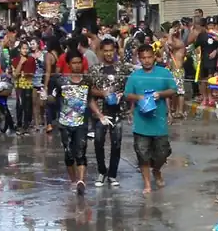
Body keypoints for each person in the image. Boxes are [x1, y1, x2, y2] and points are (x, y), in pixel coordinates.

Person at [124, 45, 178, 194]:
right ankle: (147, 184)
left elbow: (173, 89)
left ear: (154, 57)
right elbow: (127, 94)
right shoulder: (135, 76)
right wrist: (139, 97)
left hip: (159, 121)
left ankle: (157, 170)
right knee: (142, 154)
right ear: (139, 59)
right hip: (141, 122)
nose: (147, 61)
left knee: (162, 152)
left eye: (149, 57)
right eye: (143, 58)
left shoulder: (164, 73)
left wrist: (160, 94)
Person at [53, 50, 105, 195]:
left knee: (81, 151)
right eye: (74, 63)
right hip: (65, 123)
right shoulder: (61, 81)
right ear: (69, 65)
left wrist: (99, 114)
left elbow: (90, 100)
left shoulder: (87, 81)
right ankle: (73, 180)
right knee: (68, 153)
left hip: (81, 122)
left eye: (79, 62)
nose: (77, 65)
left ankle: (81, 181)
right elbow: (54, 99)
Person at [89, 39, 134, 187]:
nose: (109, 53)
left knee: (116, 143)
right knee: (98, 142)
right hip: (100, 112)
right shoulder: (95, 69)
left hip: (118, 112)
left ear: (115, 50)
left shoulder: (123, 69)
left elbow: (131, 87)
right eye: (106, 50)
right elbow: (89, 90)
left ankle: (113, 174)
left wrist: (123, 94)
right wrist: (102, 93)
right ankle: (102, 172)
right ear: (101, 51)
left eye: (111, 50)